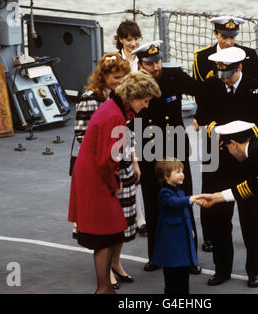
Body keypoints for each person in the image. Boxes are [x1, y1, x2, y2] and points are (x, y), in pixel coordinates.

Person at [68, 70, 161, 294]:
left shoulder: (113, 108)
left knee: (108, 233)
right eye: (146, 101)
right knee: (104, 235)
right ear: (135, 97)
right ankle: (103, 289)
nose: (146, 106)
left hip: (94, 173)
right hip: (97, 178)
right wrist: (114, 182)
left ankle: (105, 286)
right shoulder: (115, 117)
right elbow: (106, 160)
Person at [194, 47, 258, 287]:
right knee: (220, 218)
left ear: (239, 68)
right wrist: (212, 127)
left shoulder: (257, 89)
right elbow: (202, 116)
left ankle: (255, 270)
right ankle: (222, 269)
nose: (223, 78)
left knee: (250, 217)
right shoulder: (211, 87)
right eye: (220, 72)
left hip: (246, 160)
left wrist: (252, 134)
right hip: (219, 160)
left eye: (228, 73)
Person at [131, 40, 203, 274]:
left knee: (185, 199)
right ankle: (156, 256)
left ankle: (191, 257)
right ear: (141, 64)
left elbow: (202, 90)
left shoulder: (174, 76)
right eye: (151, 64)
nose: (156, 66)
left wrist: (201, 115)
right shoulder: (132, 82)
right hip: (148, 148)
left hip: (175, 146)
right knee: (153, 203)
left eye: (158, 61)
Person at [73, 52, 139, 289]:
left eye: (123, 77)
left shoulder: (124, 99)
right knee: (108, 226)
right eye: (115, 77)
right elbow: (82, 134)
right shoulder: (92, 99)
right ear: (104, 77)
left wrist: (134, 161)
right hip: (106, 169)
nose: (120, 81)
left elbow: (129, 135)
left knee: (123, 222)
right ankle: (105, 278)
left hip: (122, 165)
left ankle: (116, 263)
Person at [152, 158, 206, 294]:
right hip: (171, 240)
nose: (182, 174)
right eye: (177, 172)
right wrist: (190, 199)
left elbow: (184, 213)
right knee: (172, 275)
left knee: (183, 272)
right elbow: (174, 203)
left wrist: (190, 229)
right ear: (166, 176)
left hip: (180, 237)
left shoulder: (178, 190)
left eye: (182, 171)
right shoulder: (165, 193)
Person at [114, 19, 147, 236]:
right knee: (128, 168)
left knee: (144, 165)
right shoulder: (114, 61)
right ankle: (138, 215)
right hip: (123, 118)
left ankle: (144, 212)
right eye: (128, 39)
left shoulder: (145, 59)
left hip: (143, 116)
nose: (133, 43)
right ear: (120, 40)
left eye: (135, 39)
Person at [193, 16, 258, 83]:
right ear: (215, 34)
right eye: (224, 37)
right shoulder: (202, 57)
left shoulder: (249, 55)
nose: (228, 43)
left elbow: (254, 84)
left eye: (232, 37)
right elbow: (199, 88)